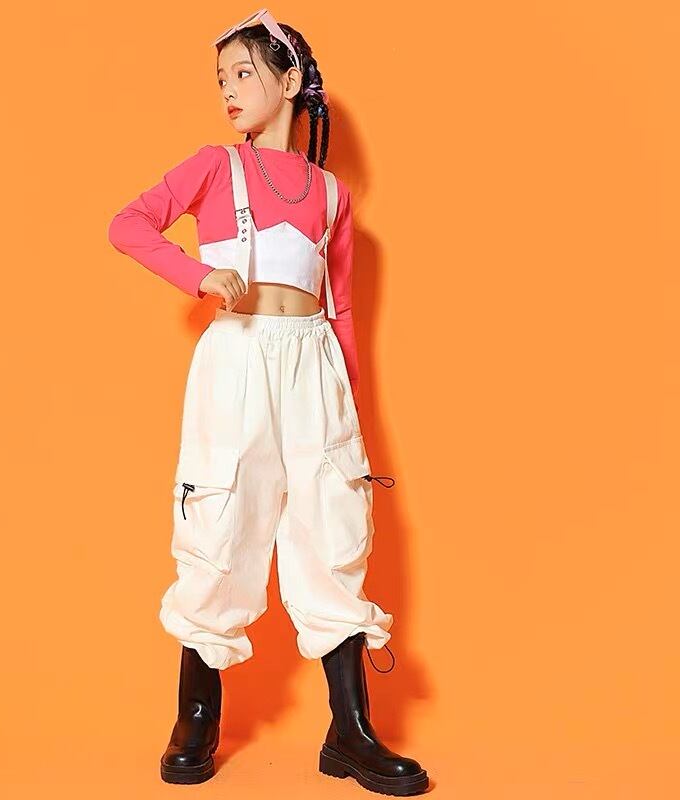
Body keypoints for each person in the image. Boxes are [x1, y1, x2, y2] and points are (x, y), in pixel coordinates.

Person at [107, 9, 430, 795]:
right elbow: (129, 224)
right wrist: (197, 275)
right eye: (220, 78)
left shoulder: (332, 195)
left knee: (332, 523)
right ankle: (196, 714)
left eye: (243, 72)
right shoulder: (215, 166)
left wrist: (346, 407)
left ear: (289, 82)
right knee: (222, 518)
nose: (228, 89)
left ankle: (350, 731)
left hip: (313, 365)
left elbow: (342, 308)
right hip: (239, 358)